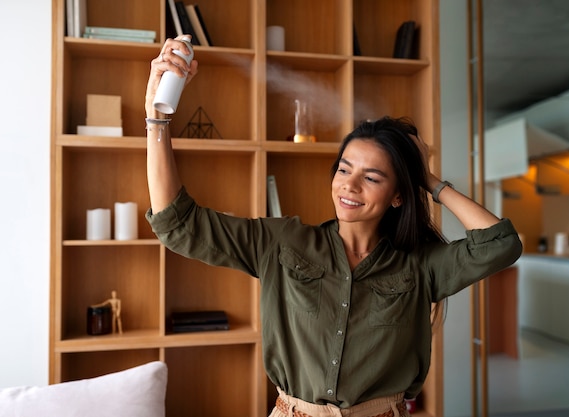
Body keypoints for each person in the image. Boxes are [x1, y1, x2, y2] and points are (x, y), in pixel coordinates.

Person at [144, 36, 522, 417]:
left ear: (398, 196)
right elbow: (178, 224)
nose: (349, 186)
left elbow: (500, 244)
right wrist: (156, 119)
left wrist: (428, 180)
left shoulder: (419, 266)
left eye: (372, 177)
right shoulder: (282, 242)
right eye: (344, 169)